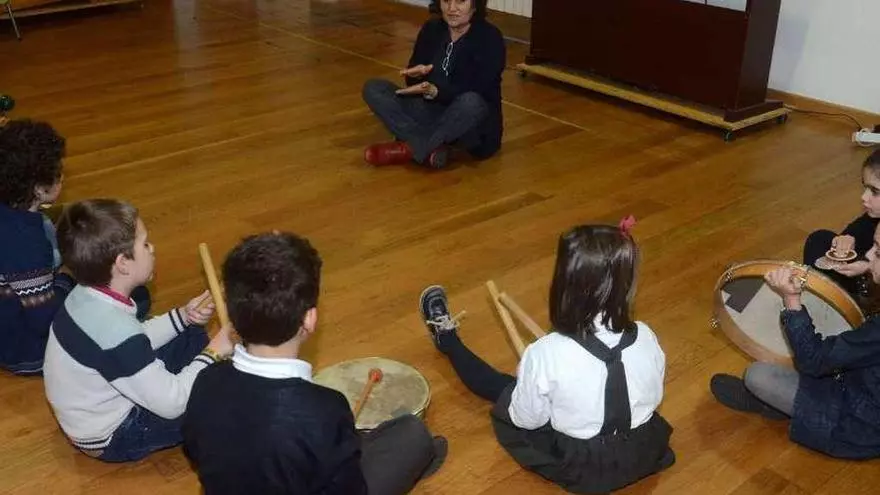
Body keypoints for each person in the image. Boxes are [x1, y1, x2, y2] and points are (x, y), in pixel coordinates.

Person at [420, 219, 674, 493]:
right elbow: (652, 393)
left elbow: (527, 420)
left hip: (586, 466)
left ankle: (448, 340)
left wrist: (531, 388)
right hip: (643, 452)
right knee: (548, 386)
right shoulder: (646, 335)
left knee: (505, 390)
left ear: (565, 284)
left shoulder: (545, 353)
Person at [182, 232, 446, 495]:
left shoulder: (206, 380)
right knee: (412, 433)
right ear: (309, 319)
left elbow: (195, 452)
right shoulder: (324, 408)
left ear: (233, 317)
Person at [42, 199, 235, 462]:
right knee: (215, 394)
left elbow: (136, 336)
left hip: (90, 410)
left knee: (190, 332)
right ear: (123, 263)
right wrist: (213, 352)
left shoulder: (86, 294)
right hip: (115, 436)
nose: (152, 248)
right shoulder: (115, 331)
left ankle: (185, 373)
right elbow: (172, 404)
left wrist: (183, 316)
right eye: (145, 244)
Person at [710, 219, 880, 460]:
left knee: (758, 375)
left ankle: (773, 405)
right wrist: (869, 267)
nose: (869, 255)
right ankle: (781, 402)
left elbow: (814, 362)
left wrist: (791, 300)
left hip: (857, 423)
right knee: (820, 241)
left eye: (878, 252)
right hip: (860, 382)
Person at [361, 0, 505, 169]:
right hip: (430, 109)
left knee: (471, 102)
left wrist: (437, 91)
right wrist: (417, 76)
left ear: (475, 4)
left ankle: (409, 149)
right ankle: (432, 145)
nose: (452, 8)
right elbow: (416, 81)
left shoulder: (490, 37)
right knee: (374, 88)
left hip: (467, 120)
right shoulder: (431, 29)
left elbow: (478, 88)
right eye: (446, 1)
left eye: (460, 1)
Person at [0, 119, 74, 375]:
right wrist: (67, 276)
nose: (62, 176)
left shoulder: (10, 215)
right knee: (134, 296)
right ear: (39, 189)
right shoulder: (26, 243)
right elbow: (45, 320)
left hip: (9, 319)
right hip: (26, 351)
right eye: (58, 172)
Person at [802, 149, 880, 307]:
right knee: (820, 238)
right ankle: (832, 296)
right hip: (866, 278)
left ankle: (851, 305)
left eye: (874, 191)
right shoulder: (875, 217)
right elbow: (862, 226)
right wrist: (848, 238)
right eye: (865, 188)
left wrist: (868, 268)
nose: (864, 197)